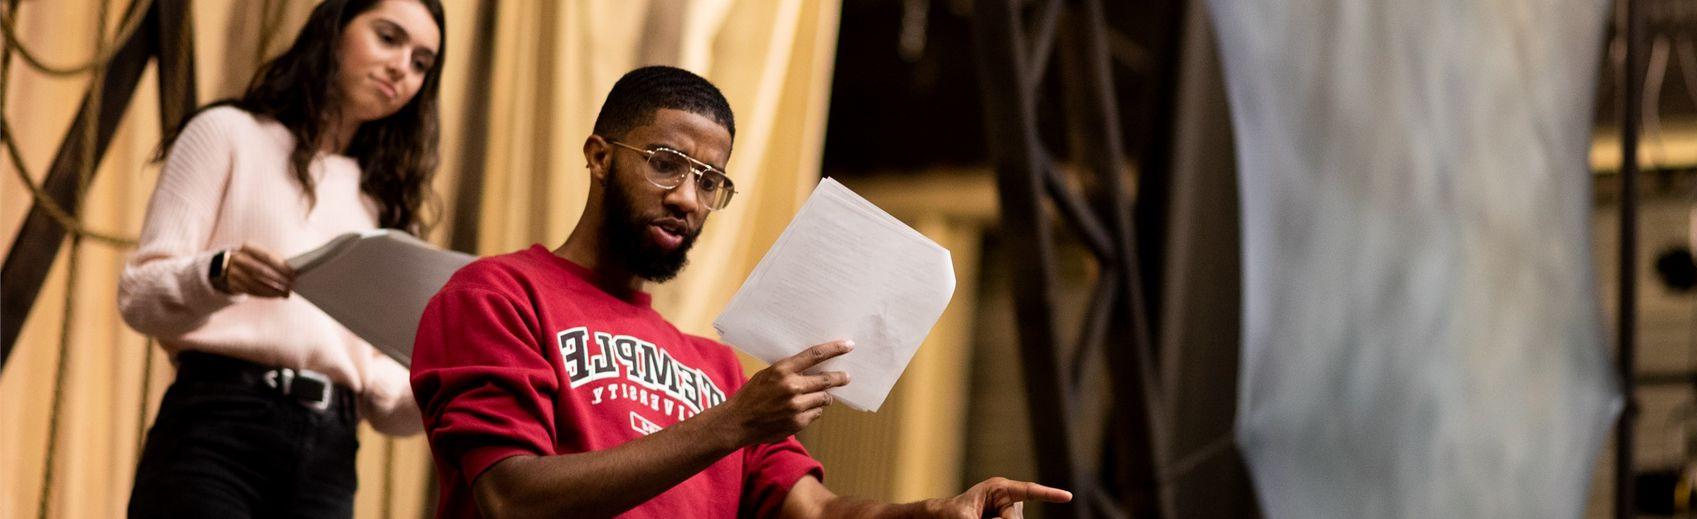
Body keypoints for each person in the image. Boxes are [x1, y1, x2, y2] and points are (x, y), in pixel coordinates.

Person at [410, 66, 1073, 518]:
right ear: (600, 156)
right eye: (665, 163)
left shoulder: (720, 369)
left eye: (709, 182)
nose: (686, 198)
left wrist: (935, 511)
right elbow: (511, 497)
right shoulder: (498, 293)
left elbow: (816, 510)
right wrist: (734, 421)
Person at [115, 0, 446, 516]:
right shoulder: (227, 133)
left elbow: (384, 400)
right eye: (388, 37)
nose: (402, 67)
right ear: (333, 30)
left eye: (422, 63)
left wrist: (443, 382)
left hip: (333, 452)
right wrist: (219, 274)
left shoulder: (388, 203)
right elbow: (138, 297)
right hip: (218, 428)